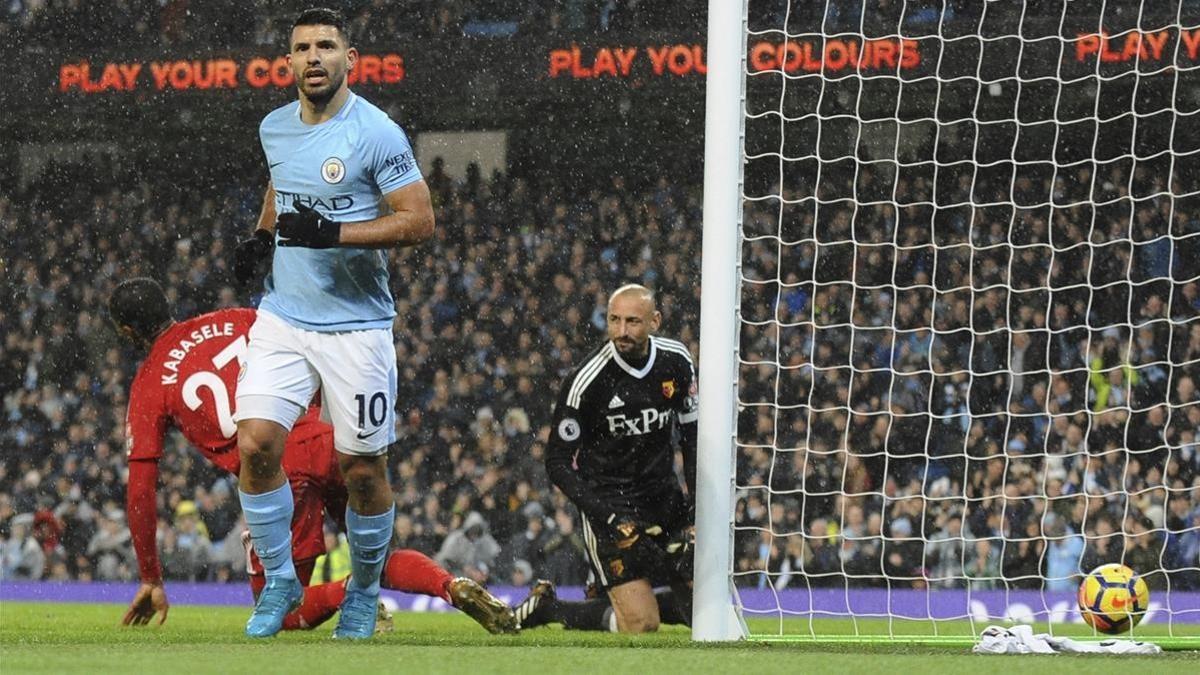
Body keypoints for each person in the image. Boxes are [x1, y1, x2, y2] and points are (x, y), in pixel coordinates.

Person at [109, 278, 516, 635]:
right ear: (167, 306)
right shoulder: (239, 318)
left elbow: (141, 490)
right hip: (331, 438)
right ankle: (451, 585)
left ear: (127, 331)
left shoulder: (150, 383)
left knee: (283, 608)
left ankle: (349, 594)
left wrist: (150, 576)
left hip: (277, 469)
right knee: (380, 555)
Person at [229, 7, 435, 639]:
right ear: (287, 61)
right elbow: (281, 184)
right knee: (257, 444)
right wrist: (263, 237)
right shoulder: (274, 127)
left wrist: (334, 233)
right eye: (301, 48)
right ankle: (282, 581)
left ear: (350, 58)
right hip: (283, 316)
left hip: (357, 328)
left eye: (326, 46)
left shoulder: (376, 133)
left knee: (363, 470)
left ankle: (365, 593)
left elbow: (419, 221)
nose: (313, 58)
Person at [515, 284, 698, 633]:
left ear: (655, 321)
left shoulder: (676, 360)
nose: (622, 331)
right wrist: (609, 516)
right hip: (611, 502)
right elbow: (557, 462)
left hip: (663, 496)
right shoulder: (587, 381)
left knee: (704, 611)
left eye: (632, 321)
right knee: (642, 625)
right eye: (614, 320)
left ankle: (605, 597)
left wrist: (694, 512)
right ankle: (551, 609)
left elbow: (692, 439)